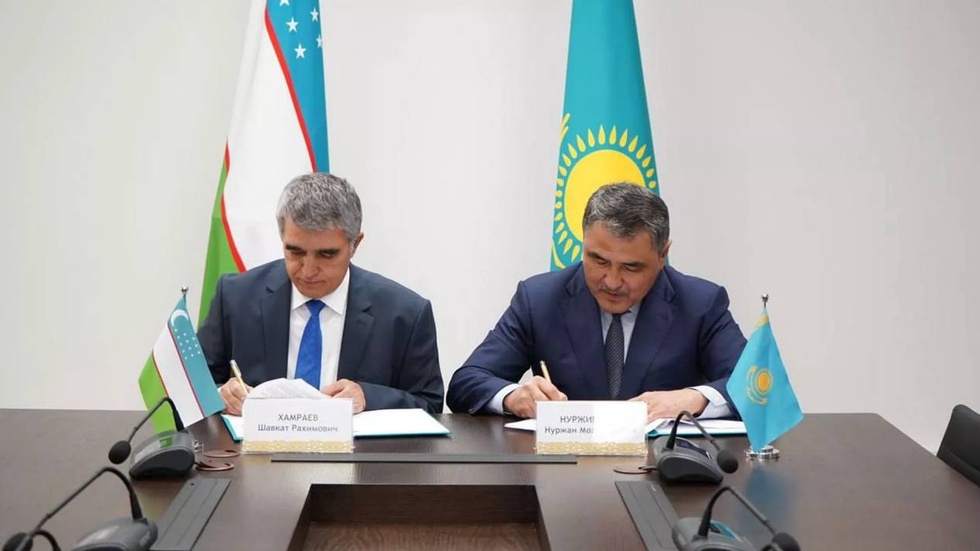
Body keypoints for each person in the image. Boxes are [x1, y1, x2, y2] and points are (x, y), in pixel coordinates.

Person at [446, 183, 746, 421]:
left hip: (663, 470)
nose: (612, 281)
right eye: (599, 260)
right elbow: (467, 381)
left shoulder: (700, 304)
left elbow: (754, 386)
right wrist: (514, 397)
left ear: (662, 255)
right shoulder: (539, 300)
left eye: (631, 267)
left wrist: (695, 398)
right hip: (565, 469)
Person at [199, 173, 443, 415]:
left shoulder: (404, 314)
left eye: (326, 254)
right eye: (295, 252)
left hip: (355, 442)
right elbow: (191, 391)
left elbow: (430, 405)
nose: (308, 270)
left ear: (355, 245)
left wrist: (368, 398)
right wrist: (221, 394)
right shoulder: (235, 298)